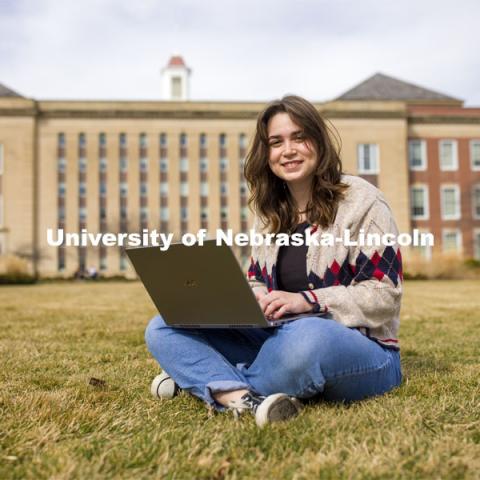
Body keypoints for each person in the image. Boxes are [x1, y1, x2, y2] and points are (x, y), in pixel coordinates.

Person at [145, 95, 402, 427]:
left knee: (309, 337)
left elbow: (384, 296)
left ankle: (205, 380)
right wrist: (252, 297)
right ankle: (241, 399)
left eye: (299, 137)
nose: (288, 150)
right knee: (163, 325)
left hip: (363, 350)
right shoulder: (269, 215)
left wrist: (308, 301)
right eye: (276, 142)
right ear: (266, 154)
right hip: (276, 337)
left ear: (319, 142)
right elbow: (257, 280)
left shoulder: (362, 200)